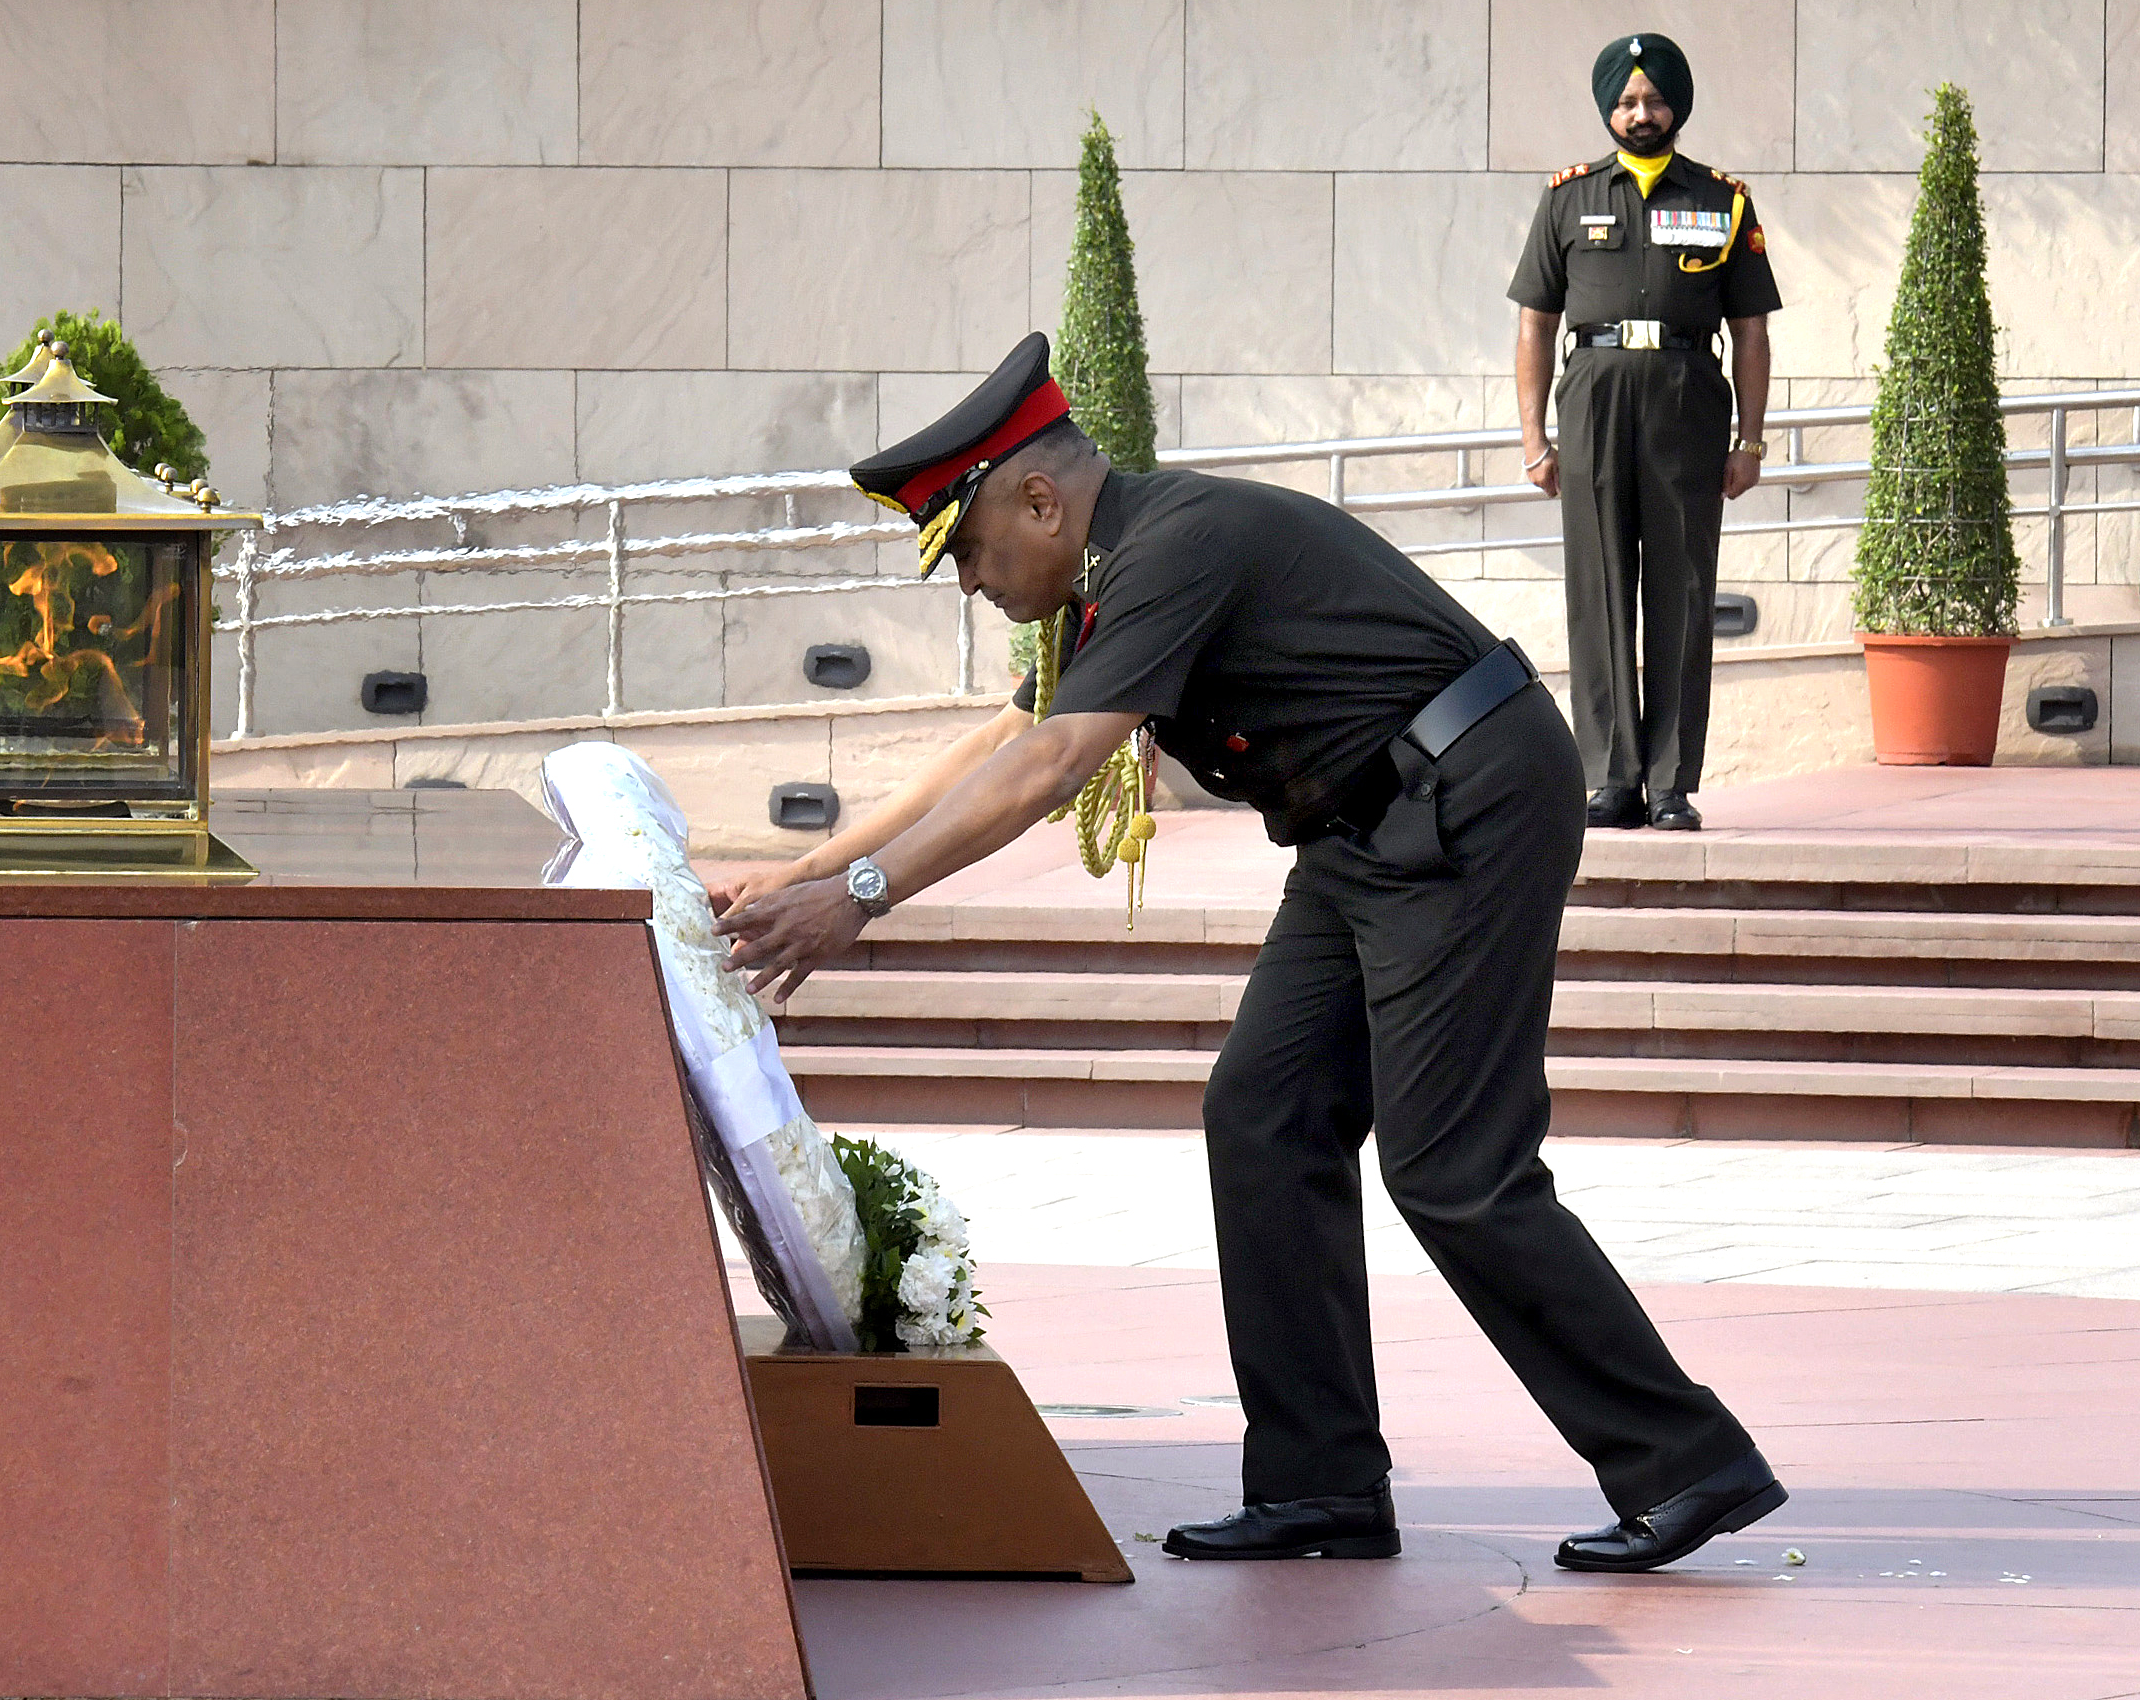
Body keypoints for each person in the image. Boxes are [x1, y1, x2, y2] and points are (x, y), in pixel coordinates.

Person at [714, 332, 1786, 1572]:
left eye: (966, 548)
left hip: (1461, 798)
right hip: (1361, 826)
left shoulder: (1175, 546)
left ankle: (1685, 1461)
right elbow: (1001, 743)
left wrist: (857, 898)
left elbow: (1055, 770)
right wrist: (797, 873)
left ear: (1040, 498)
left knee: (1453, 1166)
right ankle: (1317, 1482)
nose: (967, 582)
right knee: (1263, 1111)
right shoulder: (1112, 578)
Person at [1509, 32, 1782, 832]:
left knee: (1683, 590)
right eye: (1627, 102)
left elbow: (1753, 331)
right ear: (1607, 111)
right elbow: (1535, 322)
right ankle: (1609, 778)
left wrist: (1752, 439)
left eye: (1654, 100)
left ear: (1678, 108)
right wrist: (1533, 439)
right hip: (1592, 396)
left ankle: (1669, 780)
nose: (1641, 114)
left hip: (1688, 398)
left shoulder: (1723, 199)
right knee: (1597, 590)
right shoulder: (1568, 198)